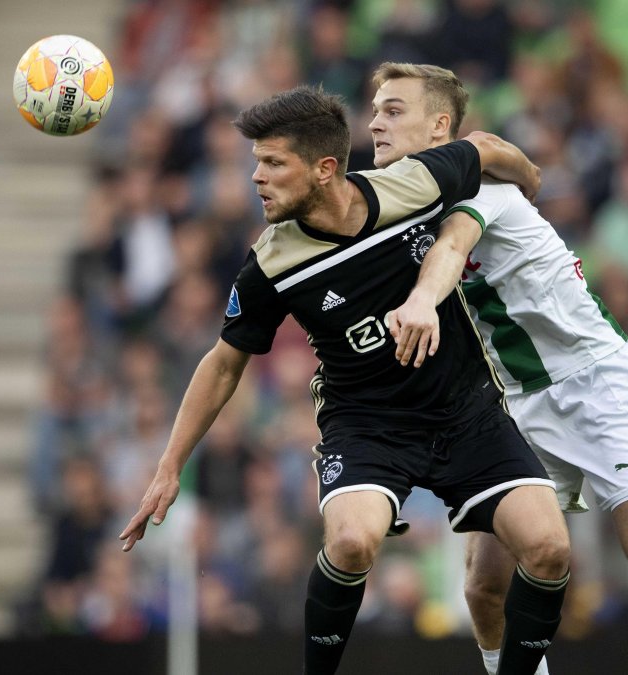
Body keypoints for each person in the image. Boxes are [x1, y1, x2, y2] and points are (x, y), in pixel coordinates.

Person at [118, 85, 571, 675]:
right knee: (353, 543)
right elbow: (224, 361)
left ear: (325, 168)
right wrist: (170, 464)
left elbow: (481, 148)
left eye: (273, 163)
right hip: (366, 428)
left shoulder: (412, 186)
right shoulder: (272, 262)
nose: (256, 177)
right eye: (257, 162)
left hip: (468, 412)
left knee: (550, 549)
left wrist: (530, 175)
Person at [379, 62, 628, 675]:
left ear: (439, 128)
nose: (376, 122)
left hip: (597, 383)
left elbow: (454, 244)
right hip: (518, 404)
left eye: (393, 110)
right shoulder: (403, 203)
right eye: (375, 109)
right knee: (484, 587)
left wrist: (418, 302)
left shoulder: (478, 188)